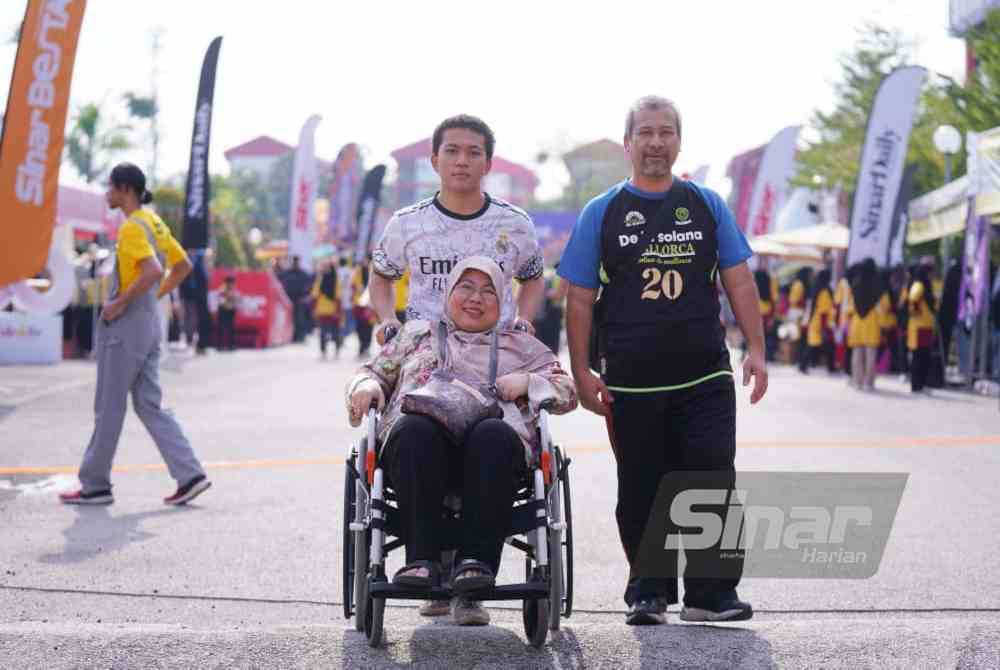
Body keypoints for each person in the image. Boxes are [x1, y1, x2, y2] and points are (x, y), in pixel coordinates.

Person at [558, 96, 765, 626]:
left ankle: (710, 593)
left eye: (665, 132)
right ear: (628, 144)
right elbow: (578, 297)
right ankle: (648, 590)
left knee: (712, 479)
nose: (655, 142)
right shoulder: (601, 212)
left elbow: (738, 279)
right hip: (632, 378)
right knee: (642, 486)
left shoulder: (705, 203)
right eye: (645, 132)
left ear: (678, 142)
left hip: (705, 373)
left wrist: (757, 351)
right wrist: (582, 372)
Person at [345, 256, 577, 626]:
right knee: (414, 429)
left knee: (493, 434)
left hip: (494, 454)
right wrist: (368, 386)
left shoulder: (521, 345)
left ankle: (476, 563)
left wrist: (528, 383)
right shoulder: (417, 334)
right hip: (420, 447)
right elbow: (369, 373)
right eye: (465, 287)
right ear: (448, 293)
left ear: (504, 301)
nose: (476, 298)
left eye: (488, 291)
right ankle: (422, 560)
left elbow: (567, 391)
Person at [59, 163, 211, 506]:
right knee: (148, 404)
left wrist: (120, 303)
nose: (107, 194)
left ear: (125, 189)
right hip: (150, 325)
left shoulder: (130, 228)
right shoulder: (153, 222)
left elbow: (153, 270)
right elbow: (181, 265)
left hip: (126, 327)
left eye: (111, 187)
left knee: (108, 406)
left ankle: (95, 484)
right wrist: (154, 297)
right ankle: (190, 474)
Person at [369, 114, 544, 344]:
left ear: (488, 164)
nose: (462, 161)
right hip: (424, 355)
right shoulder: (405, 223)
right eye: (452, 151)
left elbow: (532, 277)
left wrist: (524, 318)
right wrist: (387, 319)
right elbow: (381, 275)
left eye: (474, 153)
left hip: (497, 355)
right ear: (434, 161)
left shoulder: (516, 223)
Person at [847, 259, 883, 391]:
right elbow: (881, 304)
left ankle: (857, 381)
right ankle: (869, 383)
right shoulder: (877, 283)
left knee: (857, 352)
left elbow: (850, 304)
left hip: (858, 320)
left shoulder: (856, 283)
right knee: (871, 352)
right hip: (872, 319)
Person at [907, 266, 937, 393]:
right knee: (919, 357)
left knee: (924, 356)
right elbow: (913, 298)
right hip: (919, 326)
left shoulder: (926, 285)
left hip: (926, 325)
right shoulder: (919, 284)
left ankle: (921, 384)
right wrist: (916, 310)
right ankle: (916, 385)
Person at [800, 268, 835, 374]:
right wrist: (824, 327)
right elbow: (824, 310)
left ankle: (804, 365)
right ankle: (829, 366)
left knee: (814, 344)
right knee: (820, 344)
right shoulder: (825, 290)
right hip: (821, 321)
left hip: (814, 319)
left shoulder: (816, 287)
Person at [311, 260, 342, 359]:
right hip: (328, 310)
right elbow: (338, 296)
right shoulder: (334, 279)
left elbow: (315, 295)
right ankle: (330, 350)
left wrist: (314, 309)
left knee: (328, 331)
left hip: (325, 310)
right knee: (331, 331)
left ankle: (329, 351)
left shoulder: (322, 278)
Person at [216, 275, 239, 352]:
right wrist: (230, 296)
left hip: (231, 311)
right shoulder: (222, 289)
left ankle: (231, 345)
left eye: (233, 283)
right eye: (231, 283)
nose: (232, 284)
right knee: (221, 328)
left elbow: (236, 298)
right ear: (227, 283)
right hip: (223, 310)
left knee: (231, 329)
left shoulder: (233, 289)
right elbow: (222, 299)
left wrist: (233, 298)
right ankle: (219, 345)